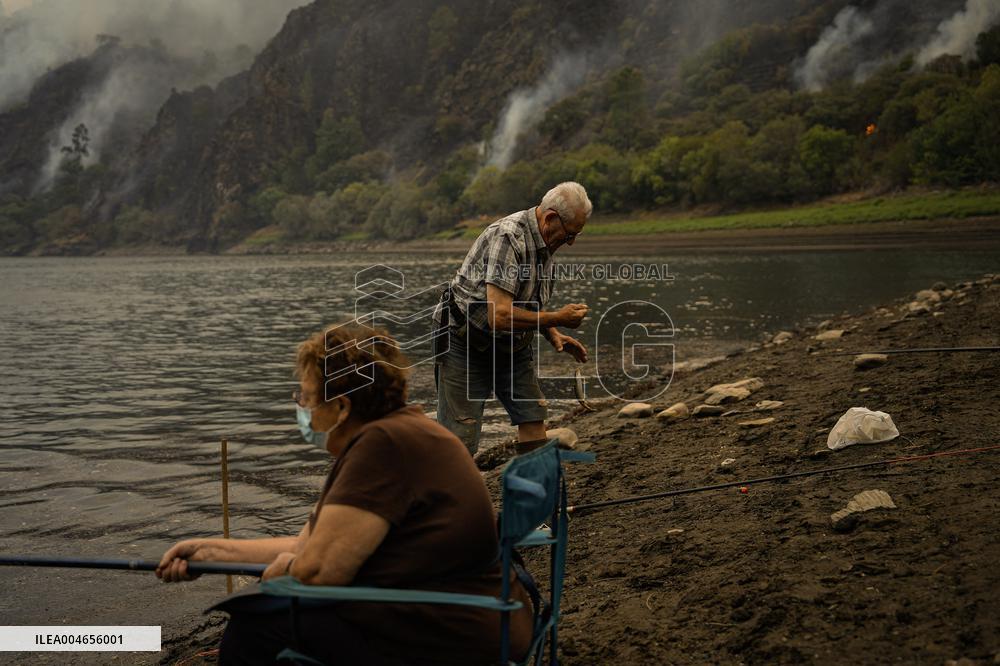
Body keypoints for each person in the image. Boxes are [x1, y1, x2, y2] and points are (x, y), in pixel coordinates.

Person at [156, 322, 533, 665]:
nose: (302, 408)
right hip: (472, 616)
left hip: (462, 634)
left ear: (340, 406)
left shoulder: (383, 446)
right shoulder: (395, 433)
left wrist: (286, 569)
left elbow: (318, 570)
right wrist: (209, 552)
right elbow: (311, 545)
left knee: (255, 626)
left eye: (305, 398)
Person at [435, 181, 593, 456]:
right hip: (463, 338)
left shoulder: (546, 245)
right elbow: (500, 314)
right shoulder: (509, 237)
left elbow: (526, 304)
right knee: (460, 434)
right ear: (551, 218)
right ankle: (449, 496)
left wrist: (553, 332)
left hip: (511, 343)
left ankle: (536, 494)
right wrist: (558, 317)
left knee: (532, 416)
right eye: (569, 235)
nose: (571, 243)